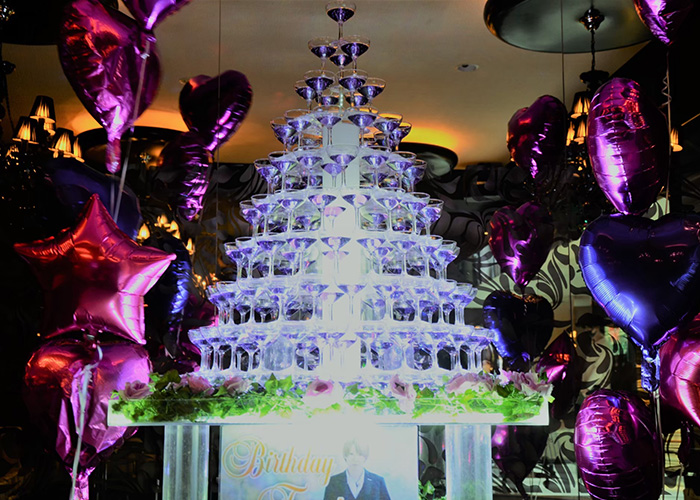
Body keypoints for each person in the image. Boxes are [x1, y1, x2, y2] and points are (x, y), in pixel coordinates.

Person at [323, 437, 391, 500]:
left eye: (359, 454)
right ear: (345, 456)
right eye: (351, 454)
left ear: (365, 457)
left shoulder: (378, 481)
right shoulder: (334, 482)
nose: (355, 459)